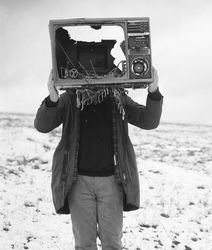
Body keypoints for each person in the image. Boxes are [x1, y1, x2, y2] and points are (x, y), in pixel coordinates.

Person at [34, 68, 163, 250]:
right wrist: (53, 97)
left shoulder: (117, 96)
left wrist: (153, 91)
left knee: (112, 244)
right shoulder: (71, 97)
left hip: (112, 182)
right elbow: (42, 125)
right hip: (78, 182)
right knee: (84, 245)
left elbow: (149, 121)